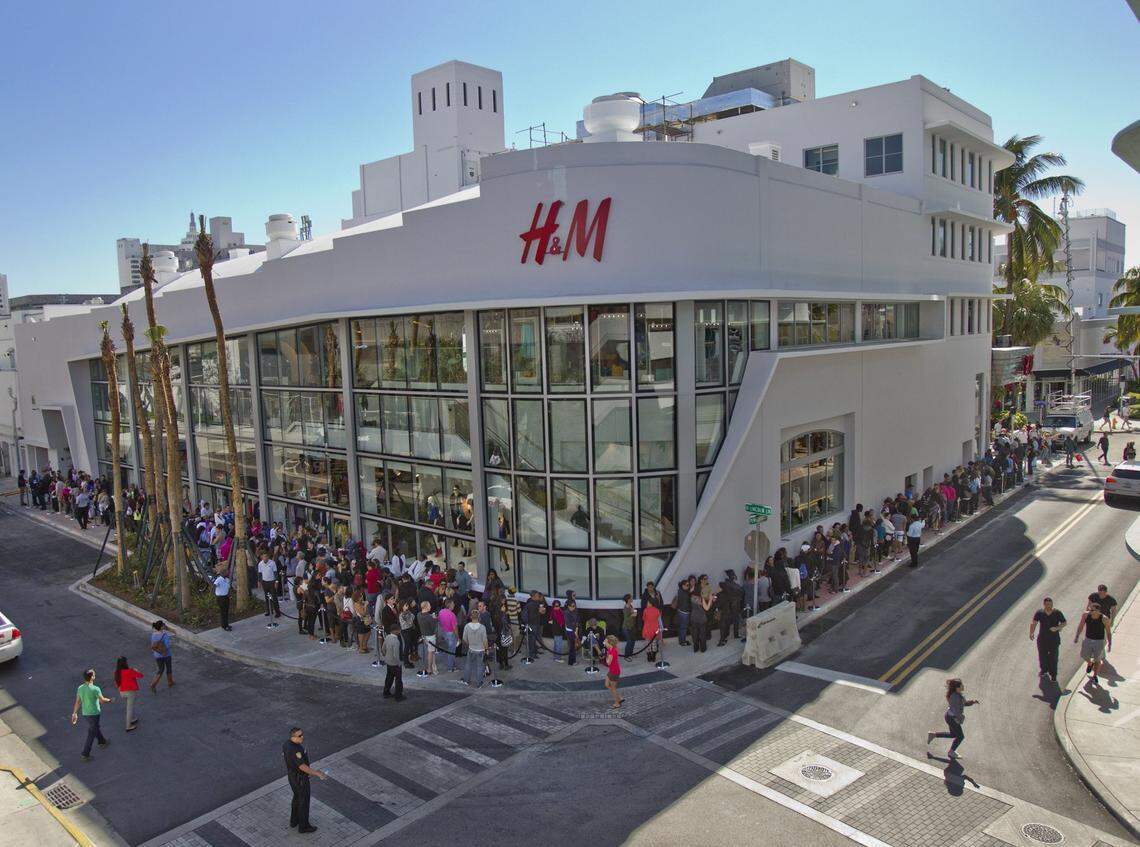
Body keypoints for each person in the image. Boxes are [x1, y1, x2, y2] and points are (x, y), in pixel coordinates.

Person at [284, 727, 327, 834]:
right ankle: (304, 826)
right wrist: (316, 773)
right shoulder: (295, 749)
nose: (302, 737)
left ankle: (294, 821)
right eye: (299, 736)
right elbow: (302, 766)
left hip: (292, 776)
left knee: (297, 798)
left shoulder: (286, 744)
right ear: (293, 737)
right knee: (304, 801)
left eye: (302, 734)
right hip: (300, 779)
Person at [926, 678, 978, 760]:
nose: (963, 686)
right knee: (960, 736)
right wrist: (958, 719)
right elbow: (956, 710)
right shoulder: (955, 697)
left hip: (951, 717)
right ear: (957, 688)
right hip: (952, 718)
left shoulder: (958, 694)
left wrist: (972, 702)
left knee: (953, 734)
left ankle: (933, 735)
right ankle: (951, 752)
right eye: (961, 685)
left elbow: (963, 704)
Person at [72, 668, 113, 761]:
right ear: (92, 677)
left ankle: (102, 742)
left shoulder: (80, 688)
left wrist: (74, 713)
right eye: (94, 674)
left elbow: (77, 702)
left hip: (86, 714)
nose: (95, 675)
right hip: (94, 713)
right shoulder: (95, 689)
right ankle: (85, 754)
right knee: (91, 733)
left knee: (95, 728)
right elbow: (102, 700)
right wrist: (110, 700)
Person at [1074, 604, 1113, 686]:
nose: (1090, 612)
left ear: (1098, 611)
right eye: (1089, 609)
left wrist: (1109, 643)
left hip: (1099, 641)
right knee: (1084, 655)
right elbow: (1081, 625)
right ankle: (1089, 663)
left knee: (1097, 660)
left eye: (1092, 610)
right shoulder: (1086, 615)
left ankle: (1095, 676)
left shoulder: (1104, 619)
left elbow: (1108, 632)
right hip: (1088, 639)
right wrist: (1077, 635)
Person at [1029, 597, 1066, 682]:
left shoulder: (1057, 613)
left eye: (1050, 604)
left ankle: (1053, 675)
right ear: (1044, 604)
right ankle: (1044, 670)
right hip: (1042, 639)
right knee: (1042, 656)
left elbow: (1064, 622)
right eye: (1047, 604)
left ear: (1052, 604)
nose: (1048, 606)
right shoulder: (1039, 613)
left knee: (1053, 657)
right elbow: (1034, 623)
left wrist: (1057, 628)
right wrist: (1031, 633)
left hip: (1054, 639)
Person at [113, 657, 144, 731]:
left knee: (128, 706)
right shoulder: (130, 671)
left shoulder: (117, 672)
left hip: (122, 692)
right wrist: (136, 670)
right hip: (130, 692)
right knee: (129, 708)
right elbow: (140, 676)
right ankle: (128, 726)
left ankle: (132, 719)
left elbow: (116, 683)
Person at [461, 609, 488, 688]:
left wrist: (469, 644)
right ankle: (479, 682)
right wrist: (486, 649)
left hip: (471, 649)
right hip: (480, 650)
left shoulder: (467, 626)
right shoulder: (482, 627)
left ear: (470, 617)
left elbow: (464, 639)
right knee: (480, 666)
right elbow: (485, 640)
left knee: (468, 665)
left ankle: (466, 680)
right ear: (479, 617)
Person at [148, 620, 173, 692]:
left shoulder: (153, 635)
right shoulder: (165, 635)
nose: (164, 625)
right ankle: (170, 682)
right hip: (166, 655)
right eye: (163, 625)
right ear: (161, 627)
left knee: (160, 670)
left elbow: (153, 645)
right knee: (169, 668)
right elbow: (167, 646)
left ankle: (153, 684)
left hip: (157, 655)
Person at [382, 624, 405, 699]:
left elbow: (383, 648)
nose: (400, 631)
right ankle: (398, 696)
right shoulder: (396, 641)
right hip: (395, 663)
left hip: (388, 662)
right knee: (398, 680)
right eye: (399, 630)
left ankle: (386, 692)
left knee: (389, 678)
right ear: (396, 631)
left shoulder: (387, 637)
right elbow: (396, 655)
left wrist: (386, 656)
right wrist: (399, 663)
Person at [259, 552, 281, 623]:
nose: (265, 558)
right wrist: (259, 582)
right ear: (262, 557)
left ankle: (277, 612)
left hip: (272, 582)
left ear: (268, 557)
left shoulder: (272, 563)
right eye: (263, 557)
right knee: (267, 597)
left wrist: (276, 582)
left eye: (266, 556)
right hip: (265, 582)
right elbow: (260, 573)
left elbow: (275, 573)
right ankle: (269, 611)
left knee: (274, 597)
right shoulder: (260, 564)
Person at [603, 634, 623, 709]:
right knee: (607, 684)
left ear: (610, 643)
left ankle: (617, 703)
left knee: (613, 688)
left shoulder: (611, 652)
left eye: (605, 641)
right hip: (612, 670)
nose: (604, 643)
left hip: (614, 672)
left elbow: (608, 663)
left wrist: (606, 656)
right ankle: (619, 698)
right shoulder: (612, 649)